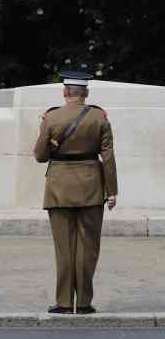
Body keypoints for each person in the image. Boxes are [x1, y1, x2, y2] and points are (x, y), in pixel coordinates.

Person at [33, 70, 118, 315]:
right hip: (91, 186)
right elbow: (108, 158)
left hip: (59, 186)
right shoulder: (99, 118)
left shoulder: (51, 118)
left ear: (65, 92)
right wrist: (112, 191)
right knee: (88, 247)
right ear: (86, 93)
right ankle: (83, 303)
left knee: (63, 248)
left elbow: (40, 156)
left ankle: (62, 301)